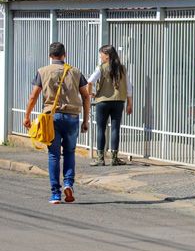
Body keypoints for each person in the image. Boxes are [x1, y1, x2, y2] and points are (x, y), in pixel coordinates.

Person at [23, 42, 90, 204]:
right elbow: (86, 96)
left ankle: (55, 194)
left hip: (51, 118)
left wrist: (27, 116)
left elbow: (34, 96)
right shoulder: (75, 72)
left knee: (53, 154)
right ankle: (68, 183)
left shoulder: (42, 72)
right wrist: (86, 120)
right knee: (69, 152)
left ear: (50, 56)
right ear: (64, 54)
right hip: (72, 117)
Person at [88, 44, 133, 166]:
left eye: (101, 54)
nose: (100, 57)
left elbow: (90, 81)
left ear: (107, 56)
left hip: (102, 101)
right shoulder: (122, 68)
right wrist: (130, 103)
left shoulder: (101, 68)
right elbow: (129, 87)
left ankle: (100, 158)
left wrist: (90, 93)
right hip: (119, 101)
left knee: (101, 129)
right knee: (115, 128)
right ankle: (114, 158)